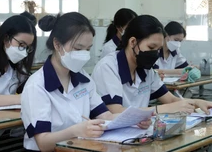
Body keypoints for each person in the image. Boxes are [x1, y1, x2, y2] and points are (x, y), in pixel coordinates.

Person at [21, 12, 151, 152]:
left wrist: (134, 120)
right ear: (57, 44)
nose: (83, 54)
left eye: (87, 49)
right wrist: (76, 131)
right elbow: (43, 143)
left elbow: (106, 116)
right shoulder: (37, 85)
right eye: (78, 48)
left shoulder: (84, 79)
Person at [92, 15, 212, 114]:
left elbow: (171, 99)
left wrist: (197, 102)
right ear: (133, 42)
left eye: (158, 49)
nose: (155, 53)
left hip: (138, 133)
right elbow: (115, 111)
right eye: (151, 47)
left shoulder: (145, 70)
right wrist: (163, 109)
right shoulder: (108, 67)